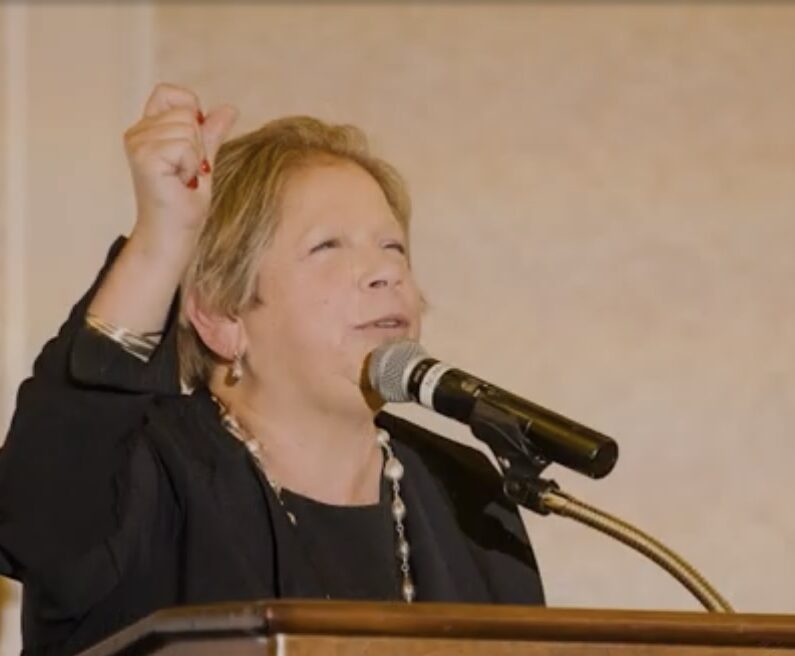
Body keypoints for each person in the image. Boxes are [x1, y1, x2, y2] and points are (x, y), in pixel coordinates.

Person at [0, 83, 544, 655]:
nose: (385, 273)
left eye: (393, 247)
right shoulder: (141, 470)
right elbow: (36, 519)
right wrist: (162, 240)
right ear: (220, 315)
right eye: (329, 246)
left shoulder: (465, 491)